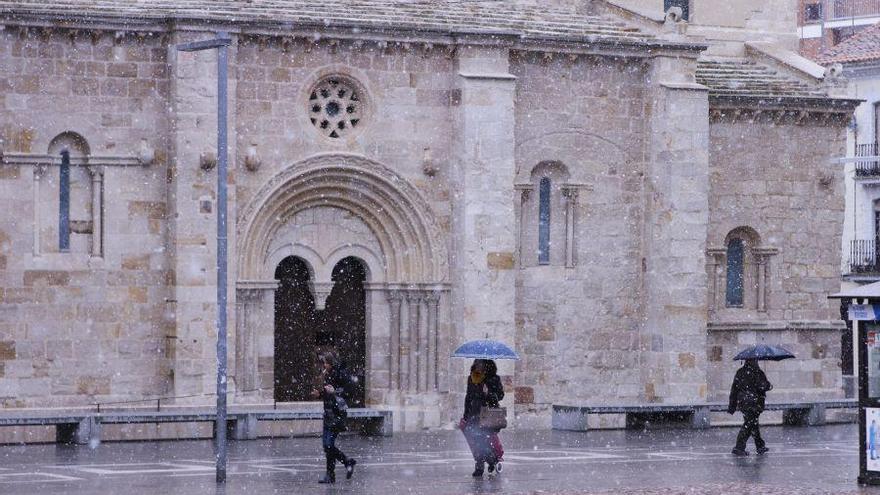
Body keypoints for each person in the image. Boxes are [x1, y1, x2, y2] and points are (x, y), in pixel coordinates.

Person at [314, 351, 357, 484]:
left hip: (337, 414)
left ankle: (344, 464)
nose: (324, 365)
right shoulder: (328, 374)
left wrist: (335, 391)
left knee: (328, 445)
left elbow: (349, 391)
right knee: (327, 446)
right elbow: (328, 392)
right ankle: (333, 473)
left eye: (326, 363)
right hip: (328, 413)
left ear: (331, 363)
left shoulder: (341, 373)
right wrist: (320, 394)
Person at [460, 359, 504, 477]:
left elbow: (500, 396)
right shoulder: (471, 378)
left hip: (487, 415)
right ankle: (484, 463)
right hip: (473, 414)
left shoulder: (493, 379)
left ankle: (490, 460)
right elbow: (468, 397)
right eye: (476, 365)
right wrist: (466, 415)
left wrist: (488, 393)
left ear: (487, 366)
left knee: (483, 441)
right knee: (476, 441)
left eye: (481, 365)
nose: (478, 367)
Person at [727, 358, 773, 456]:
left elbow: (734, 389)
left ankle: (760, 446)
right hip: (754, 403)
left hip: (743, 403)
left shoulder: (740, 372)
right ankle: (739, 447)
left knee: (752, 424)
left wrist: (732, 405)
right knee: (749, 424)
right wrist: (769, 385)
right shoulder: (757, 372)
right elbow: (762, 386)